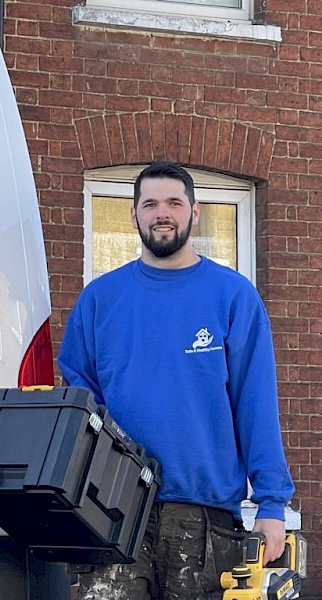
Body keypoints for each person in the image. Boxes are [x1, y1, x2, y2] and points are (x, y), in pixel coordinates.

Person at [57, 161, 295, 598]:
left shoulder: (232, 296)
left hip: (203, 517)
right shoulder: (99, 301)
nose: (161, 213)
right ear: (133, 215)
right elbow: (80, 405)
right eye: (150, 204)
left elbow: (255, 403)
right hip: (114, 511)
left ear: (194, 212)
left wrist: (272, 503)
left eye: (173, 202)